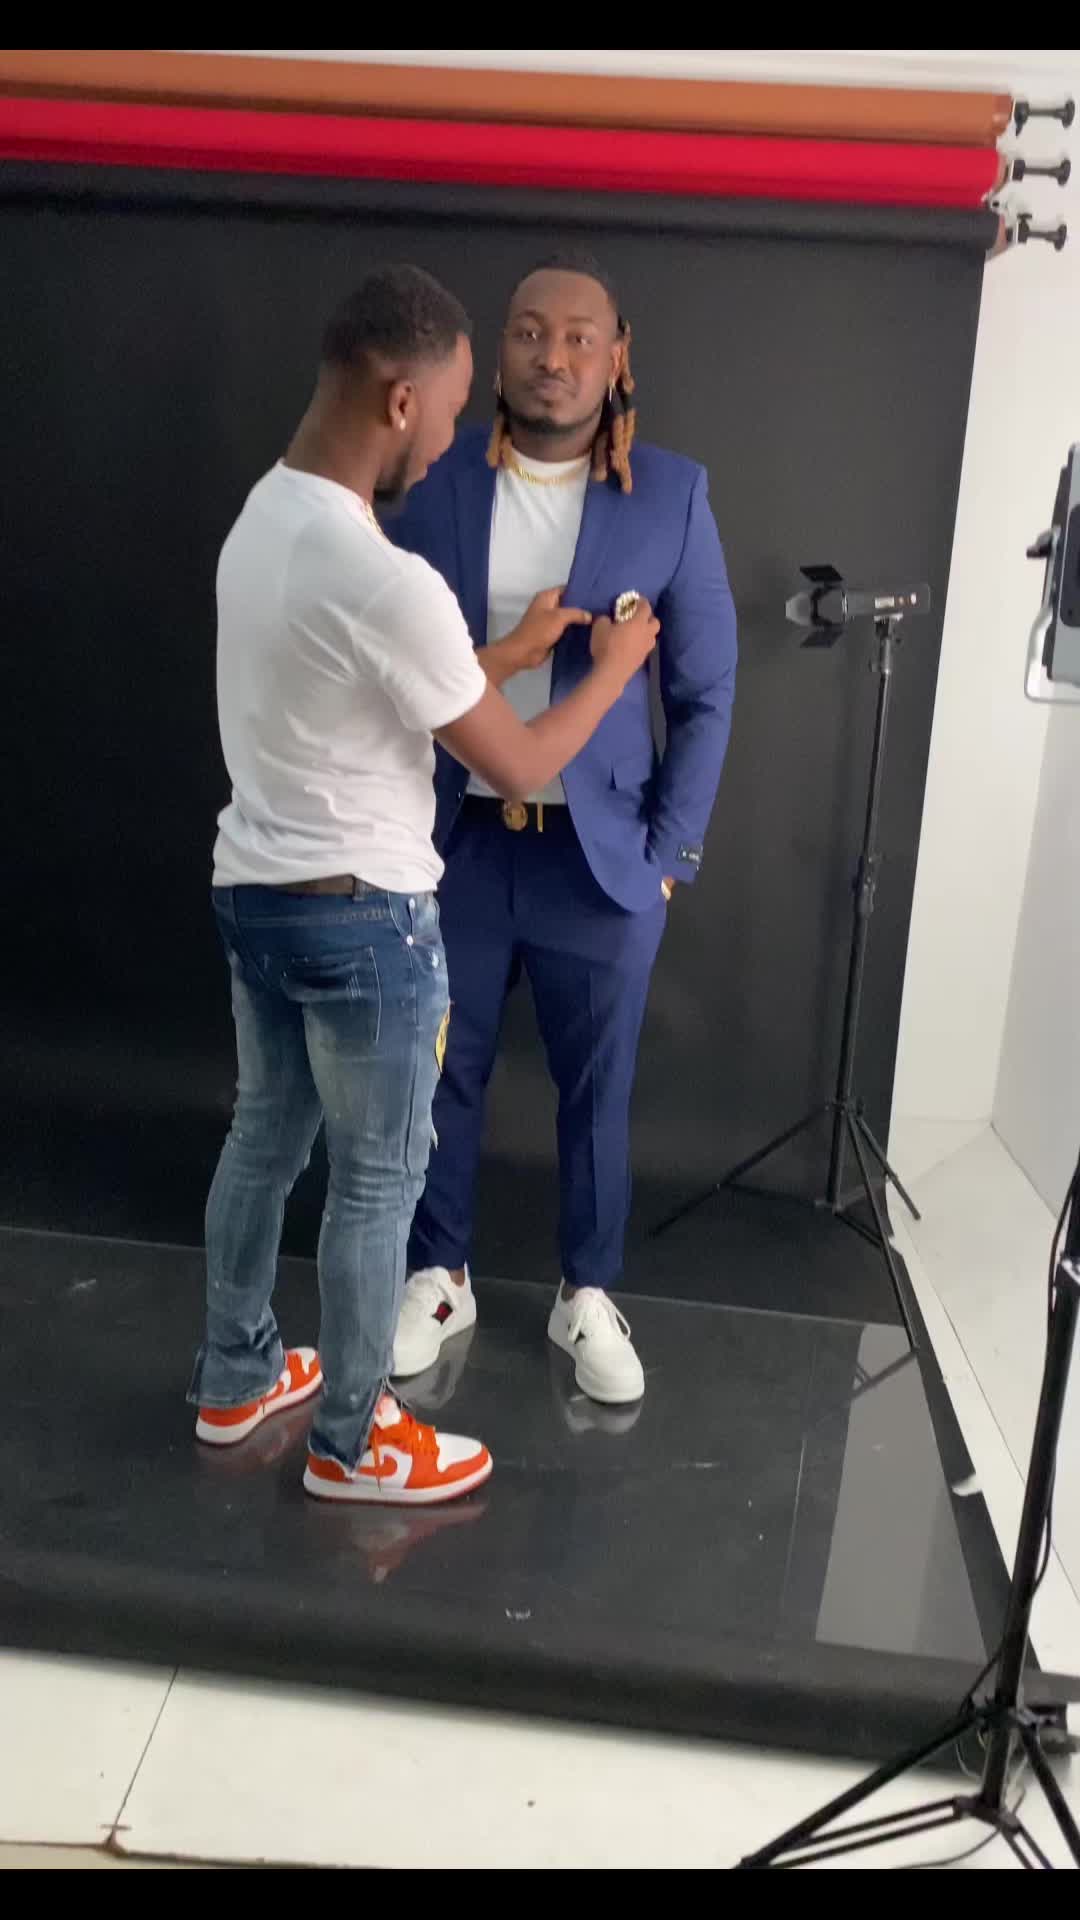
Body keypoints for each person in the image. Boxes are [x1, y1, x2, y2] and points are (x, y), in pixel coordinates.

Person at [187, 265, 659, 1503]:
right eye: (449, 412)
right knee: (378, 1182)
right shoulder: (386, 575)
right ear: (400, 401)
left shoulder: (267, 516)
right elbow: (522, 760)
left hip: (257, 894)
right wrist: (615, 668)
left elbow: (377, 680)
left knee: (262, 1141)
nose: (455, 438)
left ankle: (235, 1377)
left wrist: (505, 651)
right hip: (366, 922)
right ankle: (355, 1441)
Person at [390, 253, 737, 1406]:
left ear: (616, 355)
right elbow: (394, 665)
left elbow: (705, 690)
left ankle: (586, 1292)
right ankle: (439, 1276)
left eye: (580, 337)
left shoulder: (671, 495)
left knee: (599, 1089)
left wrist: (670, 856)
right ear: (499, 353)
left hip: (601, 860)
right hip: (458, 843)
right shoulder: (435, 484)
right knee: (438, 1073)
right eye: (531, 332)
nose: (554, 356)